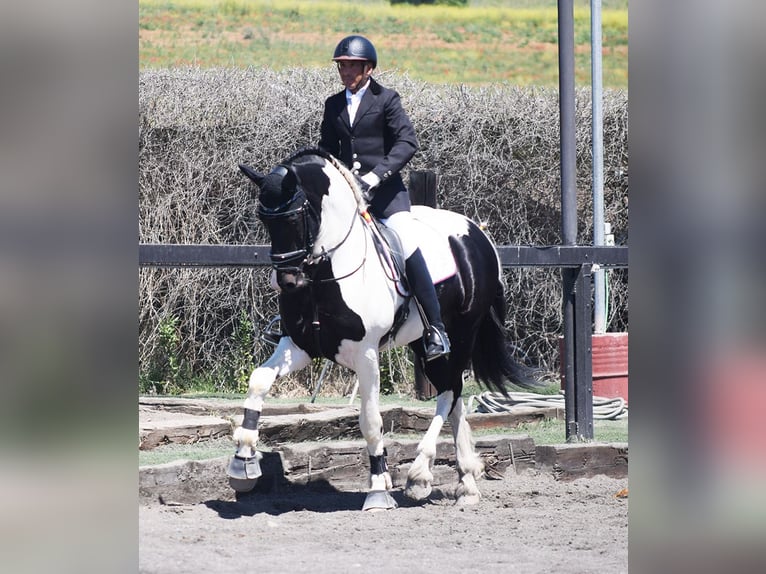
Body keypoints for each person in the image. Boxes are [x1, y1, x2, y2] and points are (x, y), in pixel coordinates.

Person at [318, 34, 450, 361]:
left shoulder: (387, 99)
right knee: (316, 242)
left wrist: (375, 176)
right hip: (349, 199)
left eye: (352, 67)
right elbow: (326, 151)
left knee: (406, 242)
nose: (345, 72)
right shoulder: (332, 105)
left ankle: (435, 329)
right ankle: (298, 321)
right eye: (342, 66)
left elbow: (407, 143)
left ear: (368, 68)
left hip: (387, 196)